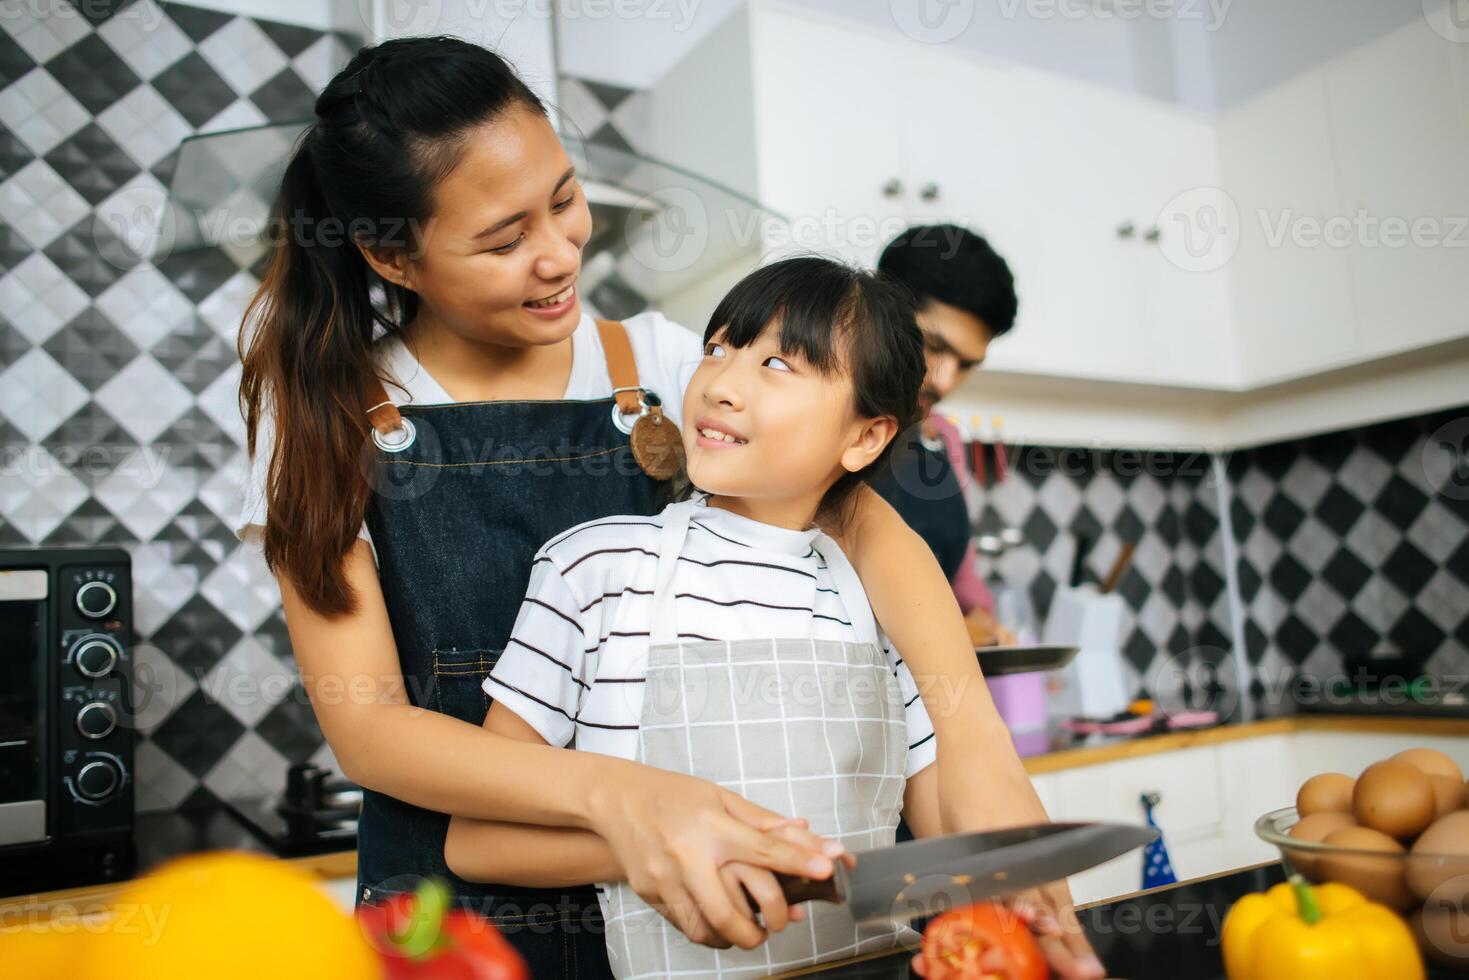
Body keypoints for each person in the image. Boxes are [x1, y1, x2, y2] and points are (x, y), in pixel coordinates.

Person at [235, 37, 1102, 980]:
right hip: (453, 918)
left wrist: (975, 742)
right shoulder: (320, 415)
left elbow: (857, 517)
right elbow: (368, 726)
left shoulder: (660, 362)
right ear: (390, 256)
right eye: (502, 239)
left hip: (700, 899)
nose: (560, 252)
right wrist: (627, 799)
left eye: (564, 200)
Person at [446, 257, 949, 977]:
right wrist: (661, 844)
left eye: (777, 362)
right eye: (717, 348)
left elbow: (944, 846)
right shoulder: (595, 569)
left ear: (865, 437)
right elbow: (480, 843)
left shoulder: (874, 604)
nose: (720, 383)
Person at [870, 224, 1018, 646]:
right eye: (933, 345)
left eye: (968, 364)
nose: (946, 381)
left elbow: (960, 583)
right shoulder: (816, 420)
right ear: (879, 311)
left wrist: (983, 623)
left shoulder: (945, 439)